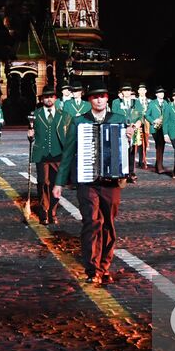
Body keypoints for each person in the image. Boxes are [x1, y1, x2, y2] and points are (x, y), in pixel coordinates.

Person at [55, 86, 132, 285]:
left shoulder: (119, 119)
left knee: (108, 224)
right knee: (91, 222)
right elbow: (68, 153)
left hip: (111, 182)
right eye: (95, 97)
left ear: (107, 99)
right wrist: (59, 183)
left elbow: (126, 151)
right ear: (90, 100)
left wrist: (130, 139)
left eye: (102, 97)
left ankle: (104, 266)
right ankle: (92, 269)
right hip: (87, 182)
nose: (99, 100)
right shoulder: (80, 121)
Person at [28, 87, 64, 224]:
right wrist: (30, 136)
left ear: (55, 98)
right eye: (46, 97)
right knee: (43, 183)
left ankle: (53, 211)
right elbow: (31, 132)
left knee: (57, 184)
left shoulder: (63, 115)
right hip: (42, 154)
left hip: (58, 154)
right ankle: (44, 212)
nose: (49, 99)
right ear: (42, 99)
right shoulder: (35, 115)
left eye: (51, 96)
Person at [115, 84, 141, 183]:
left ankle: (131, 173)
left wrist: (134, 126)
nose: (126, 92)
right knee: (121, 151)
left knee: (132, 152)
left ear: (131, 92)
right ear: (122, 92)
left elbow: (140, 116)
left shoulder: (136, 102)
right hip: (121, 129)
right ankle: (121, 172)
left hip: (133, 129)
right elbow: (115, 115)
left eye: (128, 90)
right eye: (124, 91)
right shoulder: (116, 102)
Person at [147, 87, 168, 173]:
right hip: (155, 128)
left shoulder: (166, 103)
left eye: (162, 92)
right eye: (159, 93)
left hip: (164, 128)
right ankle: (159, 166)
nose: (162, 94)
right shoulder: (152, 103)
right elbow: (147, 115)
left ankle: (158, 164)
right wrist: (153, 121)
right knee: (159, 145)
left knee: (161, 146)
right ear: (156, 94)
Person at [134, 84, 152, 169]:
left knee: (145, 143)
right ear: (138, 91)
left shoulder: (149, 101)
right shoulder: (134, 101)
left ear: (145, 91)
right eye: (140, 90)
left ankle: (143, 160)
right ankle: (134, 161)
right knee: (136, 142)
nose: (141, 92)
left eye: (143, 90)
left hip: (146, 124)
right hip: (137, 123)